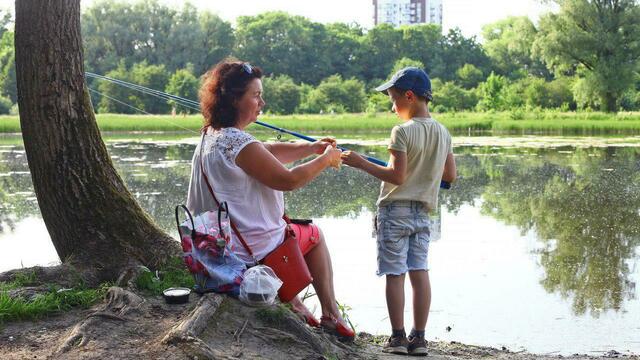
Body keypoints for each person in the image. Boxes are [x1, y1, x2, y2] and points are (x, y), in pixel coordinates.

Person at [186, 58, 355, 340]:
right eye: (256, 95)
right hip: (251, 254)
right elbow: (288, 181)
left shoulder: (213, 136)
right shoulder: (236, 142)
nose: (261, 102)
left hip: (217, 249)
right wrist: (325, 160)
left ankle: (296, 305)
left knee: (288, 229)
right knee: (314, 235)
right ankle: (330, 314)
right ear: (234, 99)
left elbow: (268, 151)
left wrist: (311, 148)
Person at [341, 67, 456, 355]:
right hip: (424, 214)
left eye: (393, 100)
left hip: (395, 213)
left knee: (395, 274)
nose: (393, 107)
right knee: (420, 272)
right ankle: (420, 339)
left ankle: (398, 338)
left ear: (409, 96)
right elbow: (450, 176)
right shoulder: (443, 132)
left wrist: (360, 163)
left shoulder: (402, 131)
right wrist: (425, 173)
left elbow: (396, 177)